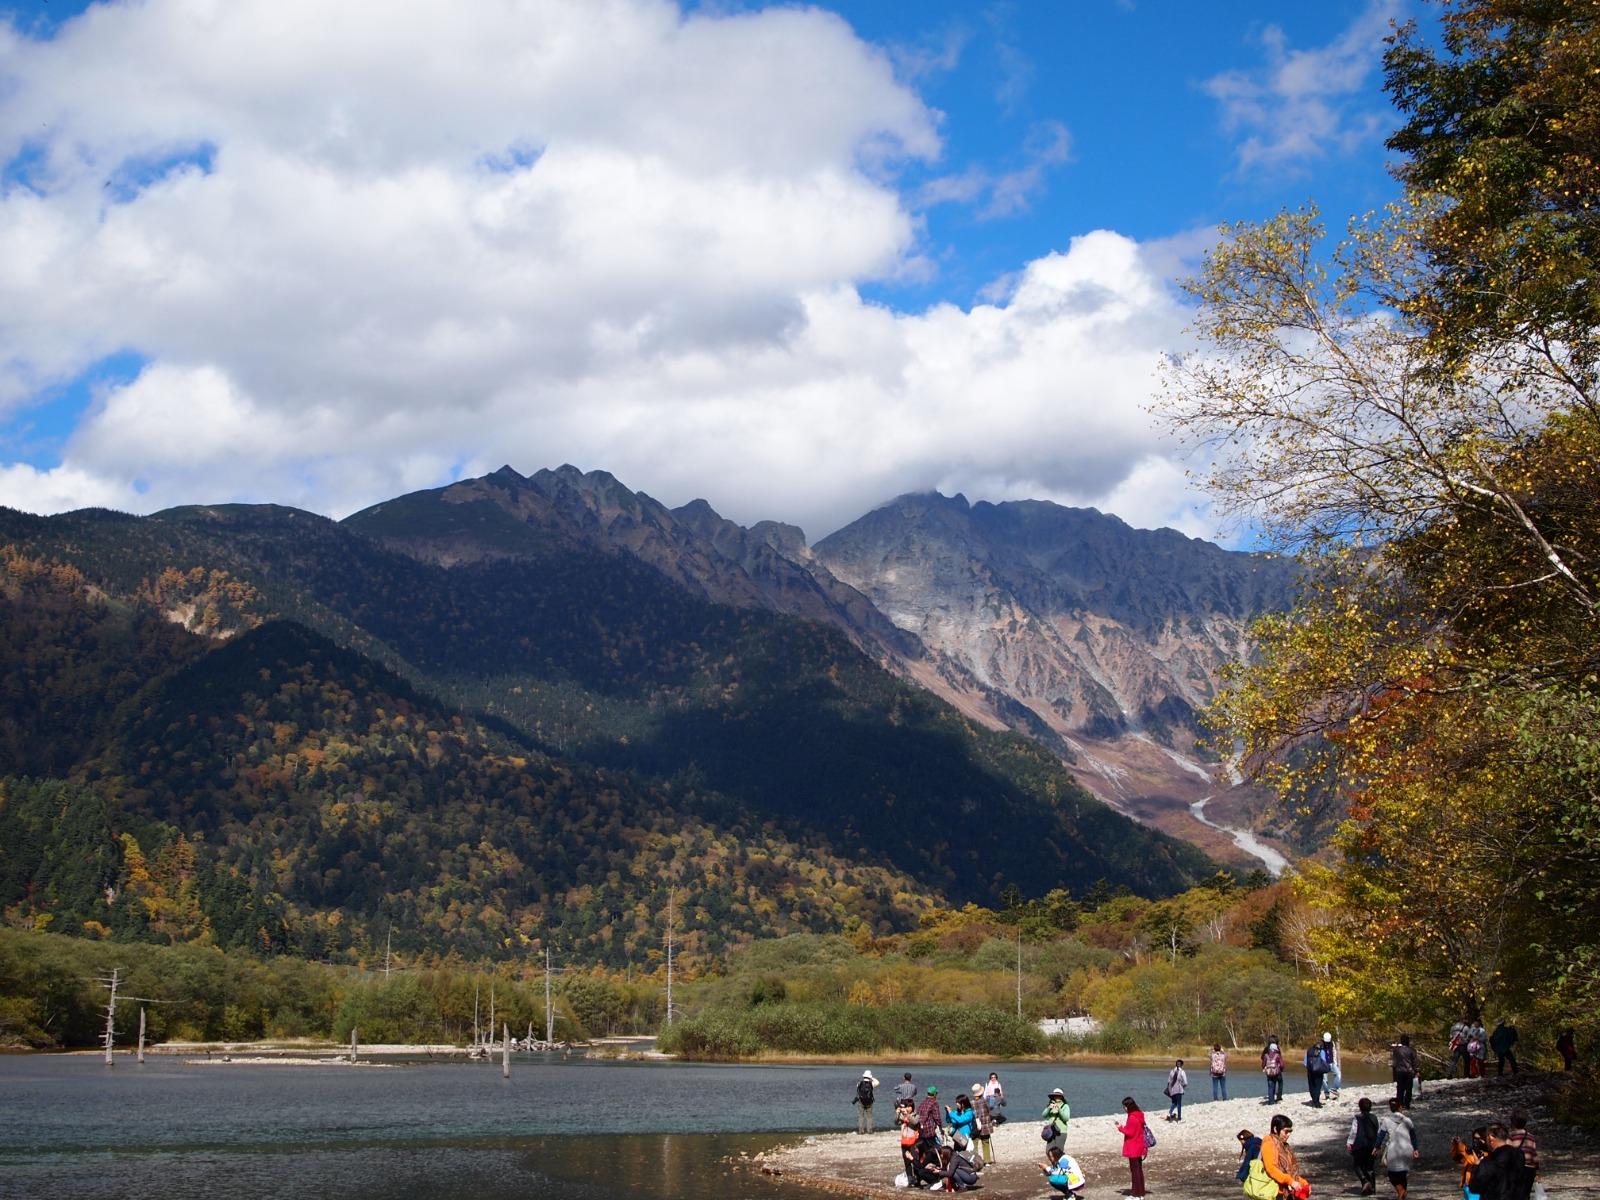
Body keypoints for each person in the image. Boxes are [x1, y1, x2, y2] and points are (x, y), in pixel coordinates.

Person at [1376, 1097, 1420, 1200]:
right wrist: (1416, 1149)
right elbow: (1413, 1136)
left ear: (1390, 1108)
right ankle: (1402, 1194)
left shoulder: (1386, 1121)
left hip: (1393, 1150)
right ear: (1400, 1107)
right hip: (1407, 1149)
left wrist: (1376, 1147)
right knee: (1403, 1173)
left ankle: (1401, 1192)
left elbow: (1380, 1136)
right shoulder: (1408, 1121)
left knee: (1392, 1174)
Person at [1467, 1124, 1526, 1200]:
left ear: (1491, 1138)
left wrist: (1476, 1166)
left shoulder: (1488, 1162)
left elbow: (1474, 1188)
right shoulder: (1519, 1155)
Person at [1262, 1114, 1310, 1199]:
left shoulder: (1284, 1146)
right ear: (1275, 1129)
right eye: (1286, 1131)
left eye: (1290, 1131)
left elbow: (1290, 1171)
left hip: (1287, 1191)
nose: (1288, 1134)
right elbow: (1270, 1168)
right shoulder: (1269, 1144)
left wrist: (1303, 1183)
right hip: (1275, 1193)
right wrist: (1290, 1181)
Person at [1114, 1095, 1148, 1200]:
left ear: (1129, 1106)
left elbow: (1130, 1132)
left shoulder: (1132, 1117)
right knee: (1138, 1170)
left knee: (1135, 1171)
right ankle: (1140, 1192)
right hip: (1139, 1146)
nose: (1124, 1108)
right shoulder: (1139, 1115)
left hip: (1133, 1147)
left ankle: (1136, 1194)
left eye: (1125, 1106)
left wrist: (1120, 1127)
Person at [1347, 1096, 1380, 1195]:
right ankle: (1373, 1188)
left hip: (1360, 1145)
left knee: (1357, 1165)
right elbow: (1377, 1131)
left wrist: (1349, 1142)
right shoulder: (1374, 1117)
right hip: (1372, 1145)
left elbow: (1354, 1132)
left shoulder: (1357, 1118)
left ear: (1360, 1107)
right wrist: (1378, 1145)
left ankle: (1364, 1181)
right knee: (1370, 1166)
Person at [1505, 1111, 1539, 1200]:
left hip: (1516, 1169)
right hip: (1529, 1170)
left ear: (1512, 1122)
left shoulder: (1511, 1136)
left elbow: (1507, 1152)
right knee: (1525, 1194)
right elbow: (1534, 1155)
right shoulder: (1531, 1137)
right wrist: (1536, 1169)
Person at [1391, 1034, 1419, 1109]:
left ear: (1401, 1041)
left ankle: (1400, 1103)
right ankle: (1407, 1104)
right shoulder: (1412, 1050)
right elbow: (1415, 1062)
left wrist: (1394, 1074)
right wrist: (1417, 1071)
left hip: (1399, 1071)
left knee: (1400, 1088)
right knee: (1409, 1088)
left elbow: (1394, 1063)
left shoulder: (1396, 1050)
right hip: (1409, 1071)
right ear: (1408, 1041)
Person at [970, 1081, 995, 1165]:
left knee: (975, 1143)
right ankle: (987, 1160)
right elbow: (989, 1110)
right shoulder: (984, 1101)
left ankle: (975, 1161)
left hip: (976, 1125)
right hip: (985, 1124)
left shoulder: (971, 1102)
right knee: (985, 1142)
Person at [916, 1084, 944, 1158]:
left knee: (924, 1148)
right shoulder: (934, 1103)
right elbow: (937, 1117)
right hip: (929, 1130)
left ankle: (921, 1164)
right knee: (935, 1148)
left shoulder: (922, 1103)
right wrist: (941, 1128)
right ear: (935, 1094)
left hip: (921, 1129)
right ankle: (938, 1163)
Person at [1041, 1086, 1070, 1154]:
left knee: (1058, 1152)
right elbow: (1044, 1115)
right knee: (1048, 1151)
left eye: (1059, 1096)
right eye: (1055, 1096)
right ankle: (1054, 1164)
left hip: (1061, 1131)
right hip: (1051, 1131)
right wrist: (1048, 1108)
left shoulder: (1065, 1106)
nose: (1057, 1097)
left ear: (1061, 1097)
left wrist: (1059, 1110)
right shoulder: (1051, 1105)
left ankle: (1060, 1164)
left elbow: (1066, 1118)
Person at [897, 1100, 921, 1183]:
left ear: (912, 1107)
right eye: (906, 1106)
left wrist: (907, 1115)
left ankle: (918, 1178)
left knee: (915, 1160)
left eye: (909, 1106)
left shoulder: (916, 1115)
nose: (907, 1108)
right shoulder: (903, 1115)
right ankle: (910, 1179)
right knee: (906, 1161)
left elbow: (915, 1122)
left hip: (913, 1141)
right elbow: (896, 1122)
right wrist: (897, 1113)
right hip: (904, 1141)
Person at [852, 1069, 879, 1134]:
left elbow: (858, 1090)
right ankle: (869, 1130)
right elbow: (877, 1082)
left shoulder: (859, 1083)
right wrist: (871, 1078)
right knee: (869, 1117)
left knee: (861, 1116)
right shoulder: (872, 1083)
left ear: (863, 1076)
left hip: (861, 1101)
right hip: (869, 1102)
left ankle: (861, 1131)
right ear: (869, 1076)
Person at [1262, 1037, 1285, 1105]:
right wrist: (1281, 1069)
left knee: (1270, 1085)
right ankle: (1278, 1096)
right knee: (1280, 1082)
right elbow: (1281, 1063)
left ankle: (1271, 1100)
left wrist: (1265, 1067)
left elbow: (1262, 1059)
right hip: (1277, 1071)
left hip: (1269, 1071)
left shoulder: (1266, 1050)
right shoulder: (1277, 1052)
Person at [1305, 1039, 1327, 1108]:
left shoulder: (1309, 1050)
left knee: (1311, 1086)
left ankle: (1314, 1099)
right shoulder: (1322, 1051)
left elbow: (1305, 1062)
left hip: (1310, 1070)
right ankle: (1316, 1102)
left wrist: (1309, 1067)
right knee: (1318, 1086)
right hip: (1318, 1071)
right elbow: (1323, 1061)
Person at [1322, 1032, 1342, 1101]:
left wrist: (1335, 1062)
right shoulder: (1321, 1044)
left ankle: (1334, 1088)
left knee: (1338, 1074)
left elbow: (1334, 1052)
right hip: (1323, 1064)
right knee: (1324, 1079)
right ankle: (1326, 1093)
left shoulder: (1332, 1043)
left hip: (1332, 1063)